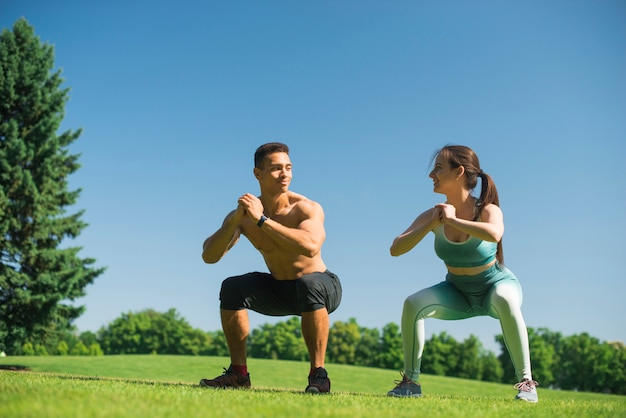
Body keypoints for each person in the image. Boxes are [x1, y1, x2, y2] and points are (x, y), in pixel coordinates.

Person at [386, 145, 538, 402]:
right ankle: (411, 383)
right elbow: (396, 249)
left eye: (438, 168)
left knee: (504, 299)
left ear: (458, 172)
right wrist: (432, 224)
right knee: (412, 304)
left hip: (495, 285)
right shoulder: (433, 215)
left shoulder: (487, 209)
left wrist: (453, 221)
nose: (431, 174)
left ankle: (527, 384)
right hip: (456, 291)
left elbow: (494, 233)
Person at [199, 142, 342, 394]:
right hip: (281, 289)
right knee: (232, 287)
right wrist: (234, 221)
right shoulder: (245, 214)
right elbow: (209, 256)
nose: (284, 174)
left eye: (288, 167)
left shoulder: (306, 207)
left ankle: (318, 375)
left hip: (321, 285)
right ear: (258, 174)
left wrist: (262, 221)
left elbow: (309, 246)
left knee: (308, 283)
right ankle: (238, 375)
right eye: (276, 168)